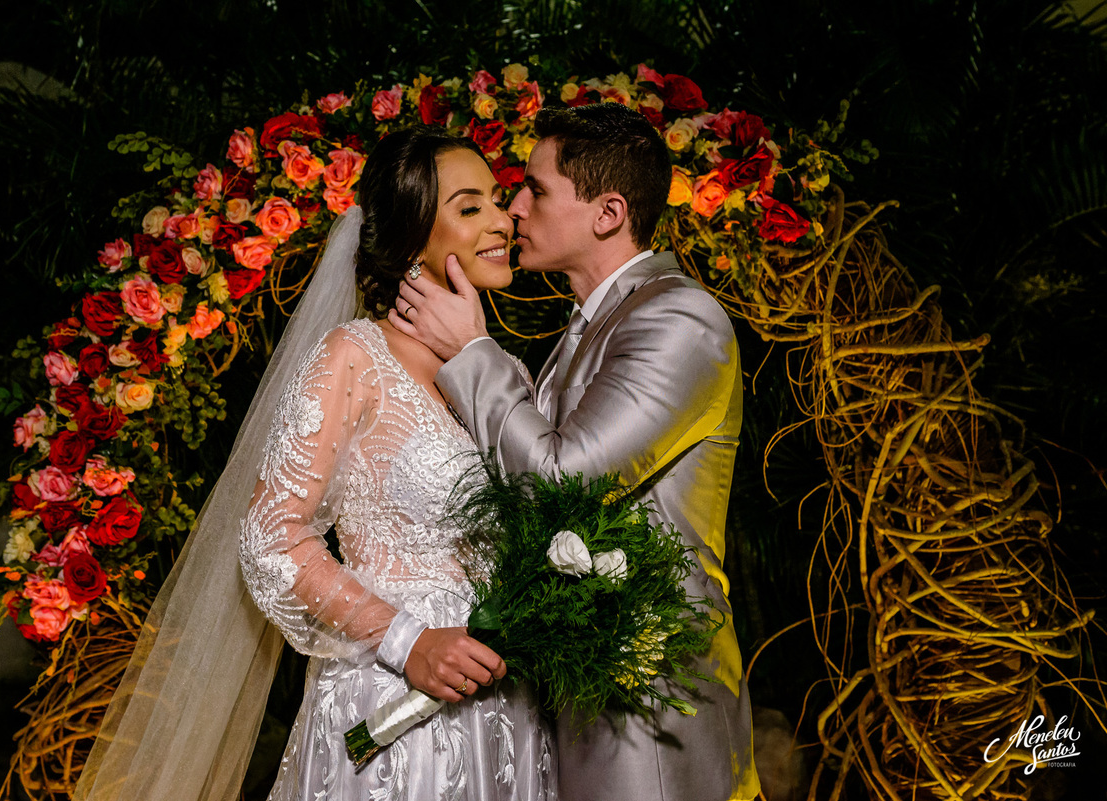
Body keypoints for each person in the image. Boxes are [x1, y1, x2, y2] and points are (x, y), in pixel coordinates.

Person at [73, 128, 555, 801]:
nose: (504, 219)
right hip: (393, 707)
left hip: (502, 708)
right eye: (472, 207)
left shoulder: (499, 373)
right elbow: (272, 534)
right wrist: (408, 641)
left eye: (499, 201)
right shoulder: (353, 358)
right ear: (415, 233)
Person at [390, 103, 761, 801]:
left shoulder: (679, 319)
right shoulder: (588, 325)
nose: (514, 209)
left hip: (649, 696)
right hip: (570, 689)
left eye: (535, 189)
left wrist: (471, 351)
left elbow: (561, 482)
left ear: (608, 212)